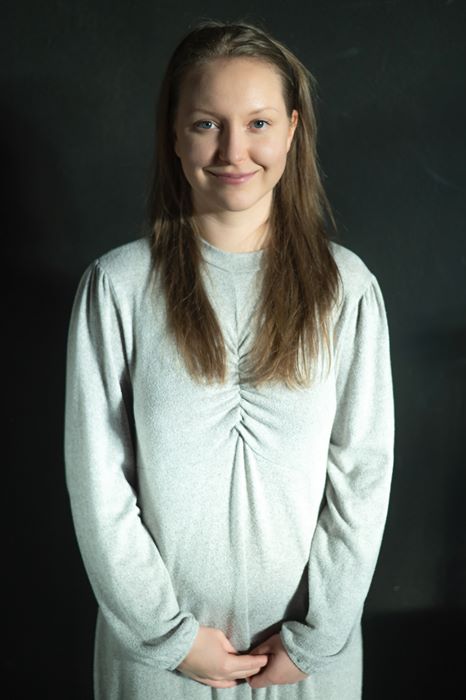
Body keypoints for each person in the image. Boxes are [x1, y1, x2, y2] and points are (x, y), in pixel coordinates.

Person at [64, 19, 395, 700]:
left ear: (293, 130)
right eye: (206, 124)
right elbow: (97, 483)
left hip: (306, 659)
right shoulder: (117, 286)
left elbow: (363, 473)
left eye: (258, 123)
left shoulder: (346, 287)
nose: (233, 150)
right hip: (157, 661)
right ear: (173, 133)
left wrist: (317, 637)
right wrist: (168, 637)